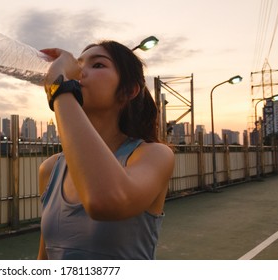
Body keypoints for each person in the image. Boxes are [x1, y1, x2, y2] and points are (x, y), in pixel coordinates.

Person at [36, 40, 175, 260]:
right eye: (78, 64)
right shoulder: (50, 169)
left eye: (98, 65)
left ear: (128, 90)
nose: (79, 72)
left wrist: (59, 87)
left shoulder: (153, 155)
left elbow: (106, 201)